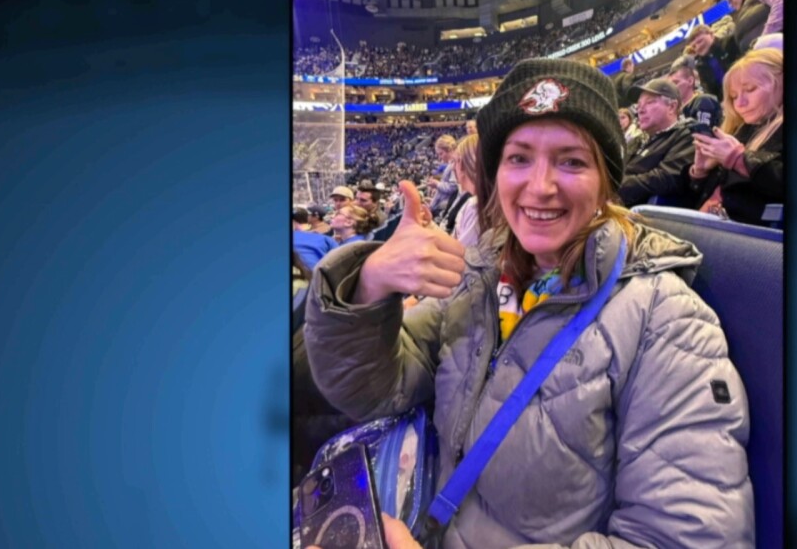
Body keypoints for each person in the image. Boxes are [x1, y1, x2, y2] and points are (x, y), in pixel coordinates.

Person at [304, 58, 752, 548]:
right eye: (519, 158)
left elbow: (687, 540)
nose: (540, 186)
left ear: (606, 180)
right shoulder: (480, 277)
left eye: (572, 161)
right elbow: (370, 391)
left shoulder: (666, 319)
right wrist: (369, 282)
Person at [686, 48, 784, 224]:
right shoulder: (742, 130)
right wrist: (700, 172)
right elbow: (703, 196)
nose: (740, 103)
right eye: (733, 97)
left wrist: (739, 159)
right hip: (708, 225)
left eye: (750, 89)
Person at [617, 77, 698, 208]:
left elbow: (666, 178)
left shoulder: (686, 135)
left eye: (649, 103)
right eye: (639, 105)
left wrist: (613, 188)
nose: (640, 110)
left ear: (672, 106)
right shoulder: (639, 139)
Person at [685, 24, 742, 100]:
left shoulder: (730, 43)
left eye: (700, 41)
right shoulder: (701, 66)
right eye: (694, 46)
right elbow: (711, 92)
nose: (698, 47)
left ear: (711, 34)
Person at [446, 133, 481, 248]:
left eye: (455, 161)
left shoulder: (476, 207)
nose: (452, 167)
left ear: (462, 164)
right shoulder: (473, 202)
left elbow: (458, 257)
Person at [427, 134, 459, 217]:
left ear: (450, 150)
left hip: (445, 206)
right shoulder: (451, 164)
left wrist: (437, 184)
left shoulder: (455, 165)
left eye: (441, 154)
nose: (439, 157)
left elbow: (453, 187)